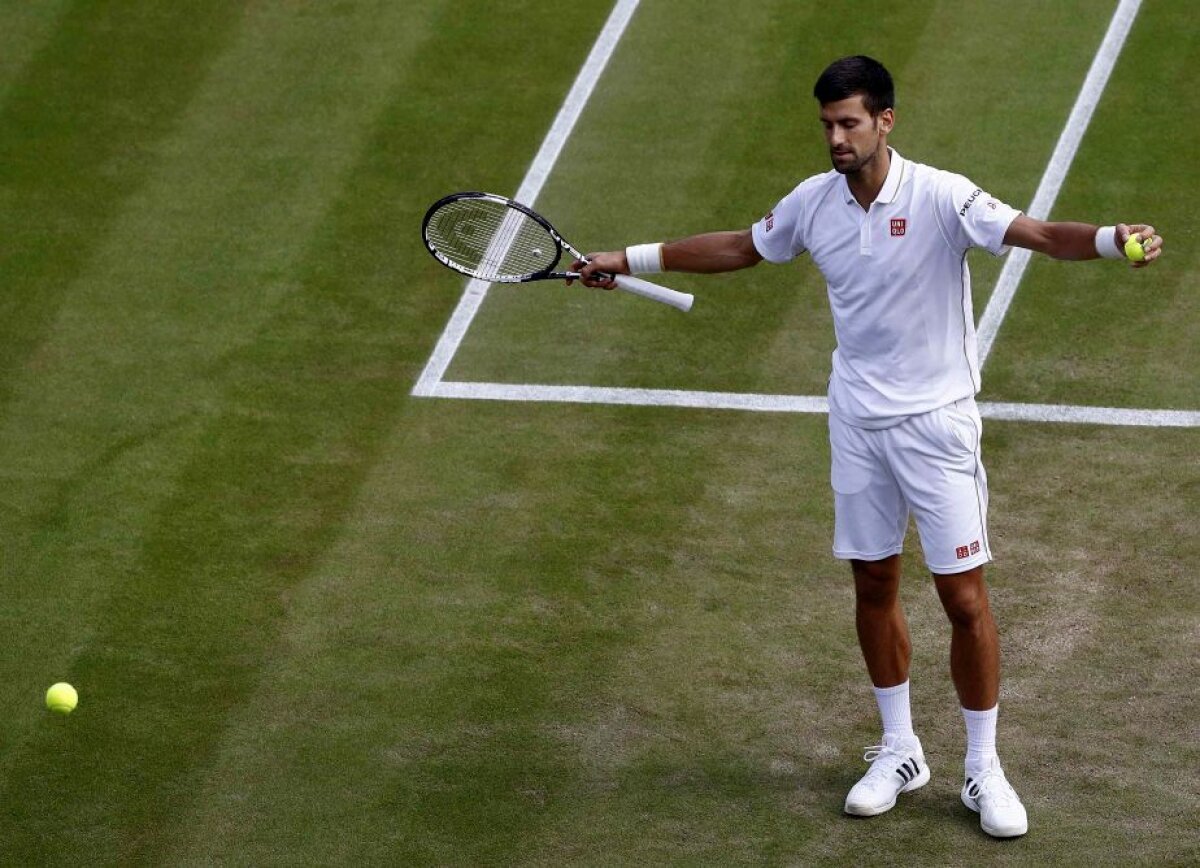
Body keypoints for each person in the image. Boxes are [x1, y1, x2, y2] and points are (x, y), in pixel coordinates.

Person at [570, 55, 1163, 839]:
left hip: (938, 426)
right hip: (856, 422)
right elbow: (744, 247)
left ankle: (984, 767)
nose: (836, 138)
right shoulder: (813, 204)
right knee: (874, 585)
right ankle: (900, 748)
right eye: (826, 125)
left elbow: (1040, 234)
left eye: (849, 123)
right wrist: (625, 258)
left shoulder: (943, 196)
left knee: (964, 599)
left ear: (886, 121)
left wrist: (1110, 237)